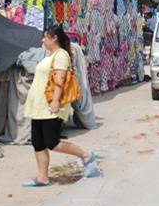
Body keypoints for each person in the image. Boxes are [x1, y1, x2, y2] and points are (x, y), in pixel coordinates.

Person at [22, 25, 100, 187]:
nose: (43, 40)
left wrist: (56, 101)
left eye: (45, 37)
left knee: (53, 142)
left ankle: (86, 156)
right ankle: (43, 177)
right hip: (39, 107)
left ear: (54, 38)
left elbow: (60, 79)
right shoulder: (50, 56)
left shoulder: (61, 55)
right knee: (38, 143)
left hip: (50, 106)